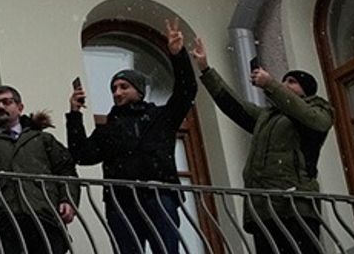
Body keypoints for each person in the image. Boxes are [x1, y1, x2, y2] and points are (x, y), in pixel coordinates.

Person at [64, 18, 197, 254]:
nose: (117, 92)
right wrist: (74, 114)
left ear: (139, 90)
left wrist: (178, 56)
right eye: (114, 88)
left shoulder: (160, 117)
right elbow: (82, 155)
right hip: (121, 202)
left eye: (123, 86)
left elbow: (186, 91)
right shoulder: (109, 128)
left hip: (160, 195)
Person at [191, 37, 334, 254]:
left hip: (296, 205)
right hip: (263, 209)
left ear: (306, 91)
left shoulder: (318, 110)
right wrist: (205, 69)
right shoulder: (268, 117)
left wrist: (271, 85)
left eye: (292, 82)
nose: (285, 85)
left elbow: (314, 121)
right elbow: (234, 105)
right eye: (283, 81)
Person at [0, 84, 80, 254]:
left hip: (45, 219)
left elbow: (66, 170)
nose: (0, 107)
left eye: (6, 102)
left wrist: (68, 200)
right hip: (3, 222)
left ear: (20, 107)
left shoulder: (42, 139)